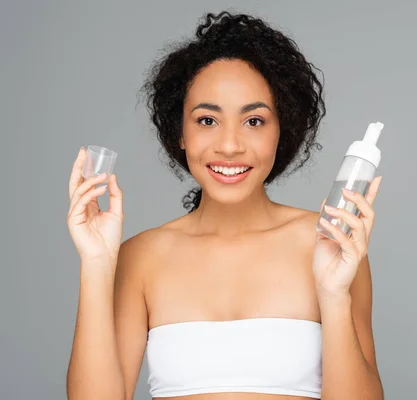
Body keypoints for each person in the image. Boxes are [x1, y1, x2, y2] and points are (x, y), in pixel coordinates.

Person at [66, 11, 384, 400]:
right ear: (179, 132)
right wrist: (97, 263)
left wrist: (334, 295)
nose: (230, 145)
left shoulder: (330, 243)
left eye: (254, 121)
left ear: (281, 131)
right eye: (206, 121)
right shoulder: (140, 258)